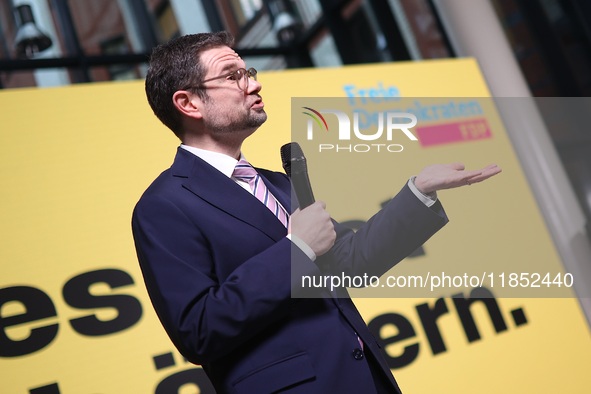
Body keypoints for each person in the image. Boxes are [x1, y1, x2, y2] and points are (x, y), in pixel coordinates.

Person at [132, 32, 501, 394]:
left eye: (250, 72)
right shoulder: (163, 206)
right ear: (188, 103)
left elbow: (349, 264)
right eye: (233, 76)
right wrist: (297, 249)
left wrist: (418, 191)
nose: (253, 85)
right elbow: (198, 329)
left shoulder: (277, 183)